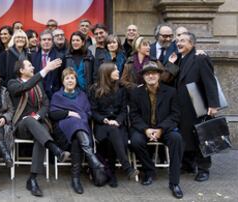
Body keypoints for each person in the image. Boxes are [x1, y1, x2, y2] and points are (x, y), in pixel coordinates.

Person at [7, 59, 69, 197]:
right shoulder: (13, 83)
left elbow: (46, 104)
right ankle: (55, 149)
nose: (33, 67)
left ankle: (33, 179)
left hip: (39, 124)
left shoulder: (38, 84)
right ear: (21, 70)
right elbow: (25, 87)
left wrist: (38, 116)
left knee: (41, 136)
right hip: (22, 126)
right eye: (29, 65)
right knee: (29, 120)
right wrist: (45, 70)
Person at [129, 61, 183, 199]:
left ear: (159, 75)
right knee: (135, 141)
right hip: (144, 129)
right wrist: (146, 130)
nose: (151, 76)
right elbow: (134, 116)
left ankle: (174, 183)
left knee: (177, 139)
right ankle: (149, 170)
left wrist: (161, 129)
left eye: (154, 73)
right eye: (147, 74)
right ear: (143, 77)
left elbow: (175, 115)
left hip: (164, 129)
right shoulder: (136, 93)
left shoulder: (171, 92)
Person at [49, 68, 108, 194]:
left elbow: (88, 114)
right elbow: (53, 114)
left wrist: (79, 116)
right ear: (63, 81)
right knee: (75, 122)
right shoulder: (57, 96)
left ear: (76, 81)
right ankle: (91, 158)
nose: (70, 80)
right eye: (67, 78)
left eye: (72, 78)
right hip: (63, 134)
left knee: (77, 137)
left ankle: (75, 179)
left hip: (80, 134)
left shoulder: (82, 96)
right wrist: (70, 113)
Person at [175, 32, 219, 182]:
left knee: (201, 136)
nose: (178, 43)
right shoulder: (179, 58)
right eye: (178, 41)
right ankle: (188, 165)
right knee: (187, 135)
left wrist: (213, 104)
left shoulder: (200, 58)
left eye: (182, 41)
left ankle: (204, 169)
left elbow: (210, 81)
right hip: (184, 106)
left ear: (192, 44)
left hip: (198, 104)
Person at [89, 63, 138, 188]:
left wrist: (118, 121)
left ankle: (112, 174)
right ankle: (126, 167)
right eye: (115, 70)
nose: (118, 71)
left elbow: (123, 110)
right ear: (107, 73)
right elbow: (93, 111)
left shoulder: (121, 89)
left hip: (118, 124)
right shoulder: (95, 89)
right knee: (112, 132)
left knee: (114, 134)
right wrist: (104, 120)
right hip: (101, 126)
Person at [30, 30, 63, 99]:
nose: (46, 41)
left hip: (54, 94)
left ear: (52, 42)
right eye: (44, 39)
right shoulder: (32, 56)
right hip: (37, 93)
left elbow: (61, 77)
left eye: (49, 39)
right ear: (40, 42)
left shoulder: (60, 56)